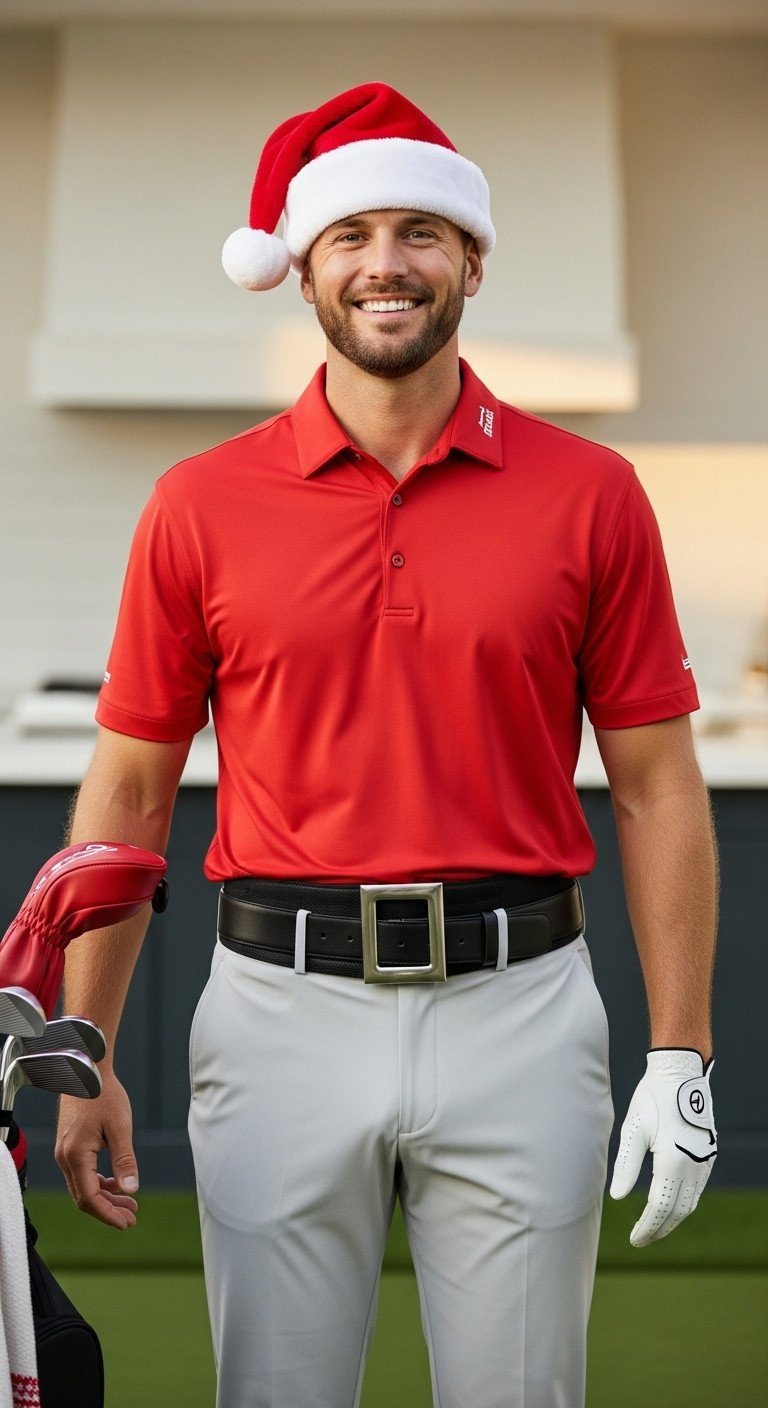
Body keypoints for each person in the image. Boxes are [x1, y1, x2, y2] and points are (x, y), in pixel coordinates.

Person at [54, 83, 718, 1408]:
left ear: (472, 261)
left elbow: (655, 787)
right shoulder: (200, 504)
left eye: (421, 232)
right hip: (276, 1011)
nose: (387, 264)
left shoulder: (591, 495)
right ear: (304, 268)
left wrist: (684, 1054)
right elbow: (129, 787)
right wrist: (83, 1047)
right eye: (351, 237)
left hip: (522, 1008)